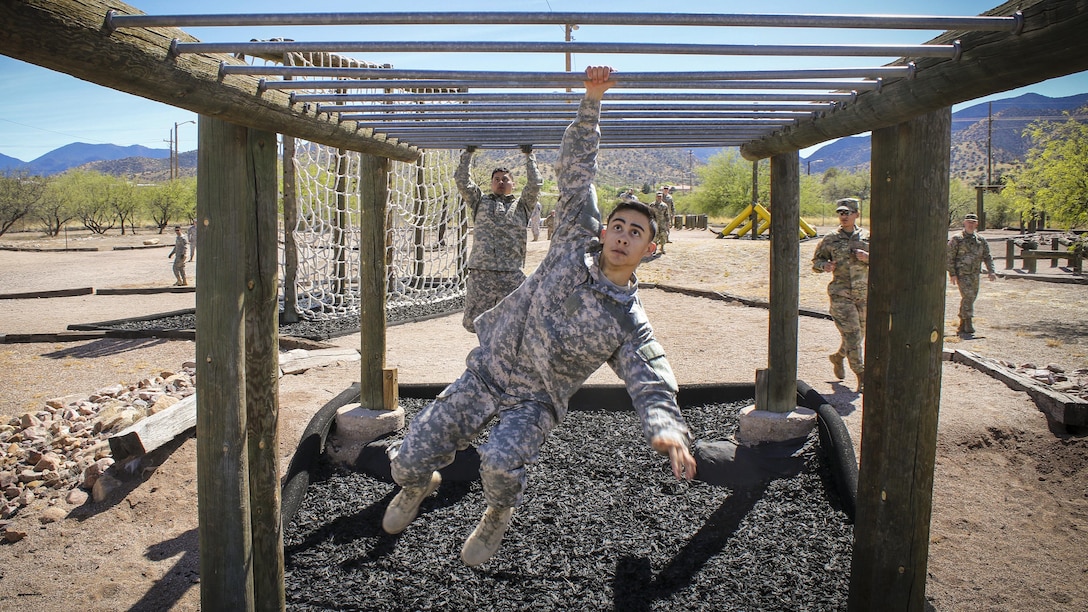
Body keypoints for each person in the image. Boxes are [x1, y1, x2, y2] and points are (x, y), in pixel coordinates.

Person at [382, 66, 697, 568]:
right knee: (407, 458)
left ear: (649, 248)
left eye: (634, 231)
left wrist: (668, 427)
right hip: (487, 372)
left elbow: (651, 380)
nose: (621, 234)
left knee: (500, 464)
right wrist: (592, 101)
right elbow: (577, 171)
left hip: (535, 399)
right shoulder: (572, 245)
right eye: (617, 225)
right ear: (603, 231)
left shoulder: (627, 320)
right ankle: (418, 486)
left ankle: (497, 514)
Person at [456, 143, 542, 333]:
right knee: (476, 322)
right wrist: (468, 154)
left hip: (510, 272)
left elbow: (535, 184)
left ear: (513, 184)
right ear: (491, 183)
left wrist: (529, 156)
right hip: (481, 271)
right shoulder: (480, 201)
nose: (501, 182)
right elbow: (463, 182)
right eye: (496, 179)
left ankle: (508, 356)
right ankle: (485, 355)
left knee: (515, 320)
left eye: (505, 179)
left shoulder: (522, 205)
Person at [812, 198, 869, 391]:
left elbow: (885, 261)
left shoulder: (868, 237)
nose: (843, 216)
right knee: (853, 334)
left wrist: (868, 258)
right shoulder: (830, 239)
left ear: (856, 214)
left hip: (863, 295)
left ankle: (838, 357)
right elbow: (816, 262)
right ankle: (861, 375)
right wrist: (824, 265)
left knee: (858, 334)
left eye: (848, 213)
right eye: (841, 213)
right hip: (840, 294)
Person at [947, 212, 996, 335]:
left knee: (972, 296)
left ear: (976, 224)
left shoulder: (981, 240)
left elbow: (987, 256)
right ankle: (968, 322)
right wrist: (952, 273)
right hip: (962, 273)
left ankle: (963, 323)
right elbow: (949, 257)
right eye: (968, 222)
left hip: (975, 273)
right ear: (964, 223)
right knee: (968, 295)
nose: (970, 224)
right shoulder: (957, 239)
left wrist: (991, 271)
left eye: (973, 222)